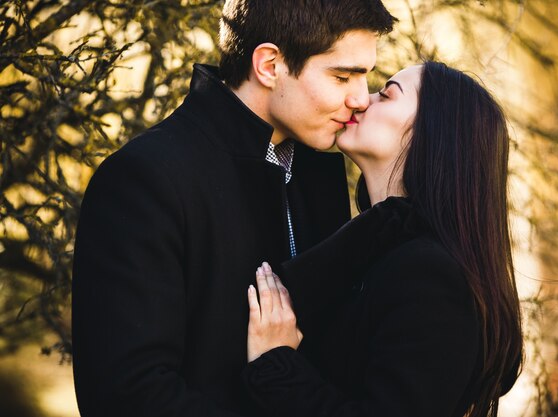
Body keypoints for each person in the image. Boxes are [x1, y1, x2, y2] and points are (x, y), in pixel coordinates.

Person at [71, 1, 396, 416]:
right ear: (269, 65)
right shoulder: (142, 181)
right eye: (342, 75)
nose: (361, 99)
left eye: (365, 75)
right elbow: (127, 396)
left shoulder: (321, 174)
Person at [243, 61, 524, 417]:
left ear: (430, 135)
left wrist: (277, 364)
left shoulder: (433, 277)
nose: (361, 100)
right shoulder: (371, 252)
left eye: (386, 94)